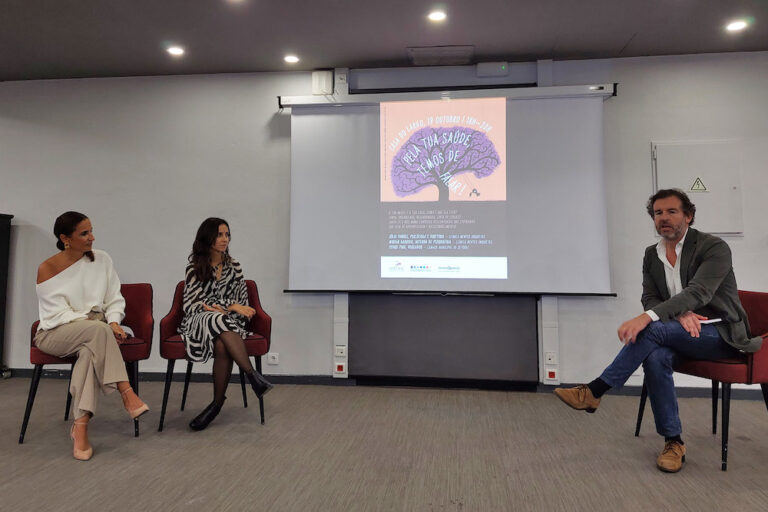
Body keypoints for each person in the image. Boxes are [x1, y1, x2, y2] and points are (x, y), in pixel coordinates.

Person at [554, 189, 762, 473]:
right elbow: (650, 297)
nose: (663, 218)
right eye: (658, 213)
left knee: (651, 330)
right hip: (679, 330)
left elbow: (699, 292)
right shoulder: (651, 255)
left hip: (722, 334)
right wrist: (679, 313)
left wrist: (647, 317)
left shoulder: (713, 247)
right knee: (655, 356)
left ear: (688, 216)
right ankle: (673, 442)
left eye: (671, 211)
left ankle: (595, 390)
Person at [35, 211, 149, 461]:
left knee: (90, 352)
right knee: (97, 332)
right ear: (65, 238)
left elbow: (114, 299)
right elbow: (56, 314)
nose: (92, 238)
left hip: (95, 332)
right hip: (55, 331)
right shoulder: (47, 268)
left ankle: (81, 428)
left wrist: (114, 322)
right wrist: (102, 326)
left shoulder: (102, 260)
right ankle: (126, 392)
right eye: (84, 233)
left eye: (91, 231)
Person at [179, 217, 273, 431]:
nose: (224, 239)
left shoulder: (235, 266)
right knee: (215, 317)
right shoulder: (194, 268)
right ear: (208, 237)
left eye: (227, 235)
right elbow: (193, 304)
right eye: (219, 234)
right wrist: (229, 306)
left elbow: (243, 304)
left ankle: (216, 404)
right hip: (198, 321)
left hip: (228, 324)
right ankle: (252, 376)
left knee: (222, 343)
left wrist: (225, 308)